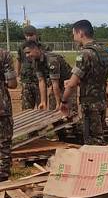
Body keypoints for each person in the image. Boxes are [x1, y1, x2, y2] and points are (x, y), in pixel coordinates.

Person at [62, 20, 108, 145]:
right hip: (101, 99)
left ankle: (97, 163)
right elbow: (96, 76)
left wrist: (64, 101)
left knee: (93, 140)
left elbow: (72, 84)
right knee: (100, 133)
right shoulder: (105, 51)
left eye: (74, 34)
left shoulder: (84, 54)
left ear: (80, 33)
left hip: (89, 102)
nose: (74, 37)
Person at [22, 40, 75, 113]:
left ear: (36, 49)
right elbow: (41, 81)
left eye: (28, 52)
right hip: (57, 84)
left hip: (68, 84)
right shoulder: (35, 61)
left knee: (68, 111)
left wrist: (58, 102)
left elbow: (55, 83)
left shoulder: (51, 60)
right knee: (53, 110)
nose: (27, 55)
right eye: (25, 53)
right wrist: (43, 101)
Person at [15, 25, 44, 110]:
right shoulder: (22, 47)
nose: (29, 37)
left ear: (36, 35)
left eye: (31, 35)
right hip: (26, 80)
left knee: (41, 107)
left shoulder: (43, 47)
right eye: (27, 35)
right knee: (26, 108)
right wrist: (17, 74)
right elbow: (19, 60)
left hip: (39, 80)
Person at [0, 47, 18, 181]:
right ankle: (3, 175)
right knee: (4, 140)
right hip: (2, 106)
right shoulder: (4, 54)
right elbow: (12, 84)